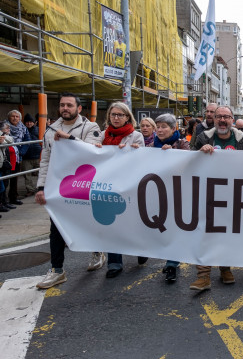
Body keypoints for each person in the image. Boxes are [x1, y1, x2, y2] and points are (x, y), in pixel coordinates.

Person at [35, 93, 103, 289]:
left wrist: (69, 138)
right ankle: (57, 270)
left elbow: (93, 150)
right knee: (56, 227)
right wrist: (41, 187)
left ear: (79, 109)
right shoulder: (50, 130)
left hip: (85, 184)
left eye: (69, 105)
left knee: (89, 221)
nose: (65, 108)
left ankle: (97, 251)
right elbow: (45, 160)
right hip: (59, 187)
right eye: (62, 105)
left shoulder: (91, 127)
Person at [190, 106, 243, 291]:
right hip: (206, 193)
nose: (222, 120)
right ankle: (203, 276)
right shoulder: (203, 138)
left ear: (233, 120)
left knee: (227, 233)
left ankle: (225, 268)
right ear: (213, 119)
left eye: (226, 117)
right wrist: (200, 152)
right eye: (219, 117)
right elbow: (188, 160)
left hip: (233, 194)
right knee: (204, 232)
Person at [95, 102, 146, 279]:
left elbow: (142, 161)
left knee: (132, 222)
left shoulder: (136, 136)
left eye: (120, 115)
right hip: (108, 186)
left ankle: (141, 248)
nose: (116, 118)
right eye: (113, 114)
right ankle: (114, 263)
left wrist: (133, 152)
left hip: (129, 185)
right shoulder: (102, 136)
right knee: (112, 225)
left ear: (127, 117)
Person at [150, 113, 191, 282]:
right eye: (158, 127)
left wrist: (172, 153)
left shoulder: (182, 143)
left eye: (164, 127)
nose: (160, 130)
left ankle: (172, 264)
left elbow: (188, 163)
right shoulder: (152, 145)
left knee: (173, 228)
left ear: (173, 129)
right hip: (156, 192)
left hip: (177, 192)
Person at [6, 110, 30, 205]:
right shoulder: (4, 126)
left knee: (14, 178)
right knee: (5, 179)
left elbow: (27, 140)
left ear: (20, 118)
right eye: (13, 116)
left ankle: (13, 197)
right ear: (9, 117)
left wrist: (20, 152)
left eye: (17, 116)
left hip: (17, 157)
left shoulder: (23, 128)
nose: (15, 118)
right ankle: (3, 200)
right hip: (6, 156)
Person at [21, 113, 41, 197]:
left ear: (34, 122)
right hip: (26, 157)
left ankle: (41, 188)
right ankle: (30, 189)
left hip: (38, 156)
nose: (29, 123)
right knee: (27, 175)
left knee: (42, 173)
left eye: (31, 122)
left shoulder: (39, 129)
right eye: (27, 122)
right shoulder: (21, 130)